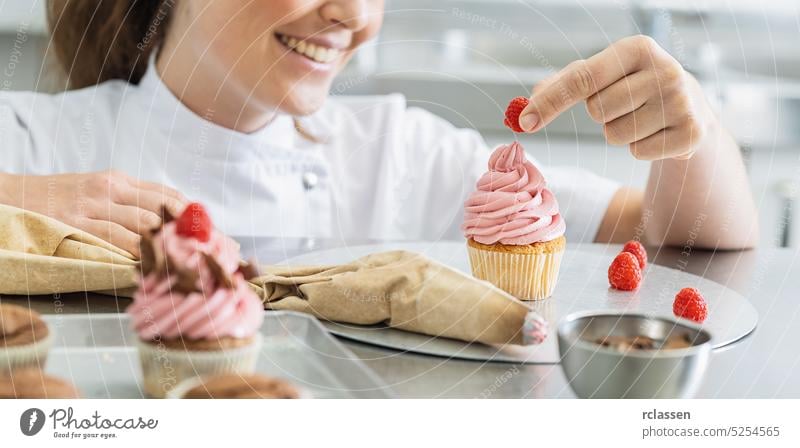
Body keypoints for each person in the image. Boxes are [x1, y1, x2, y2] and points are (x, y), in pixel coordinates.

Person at [0, 0, 757, 258]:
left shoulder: (401, 157)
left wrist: (695, 133)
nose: (357, 17)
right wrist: (14, 208)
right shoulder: (34, 143)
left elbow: (672, 239)